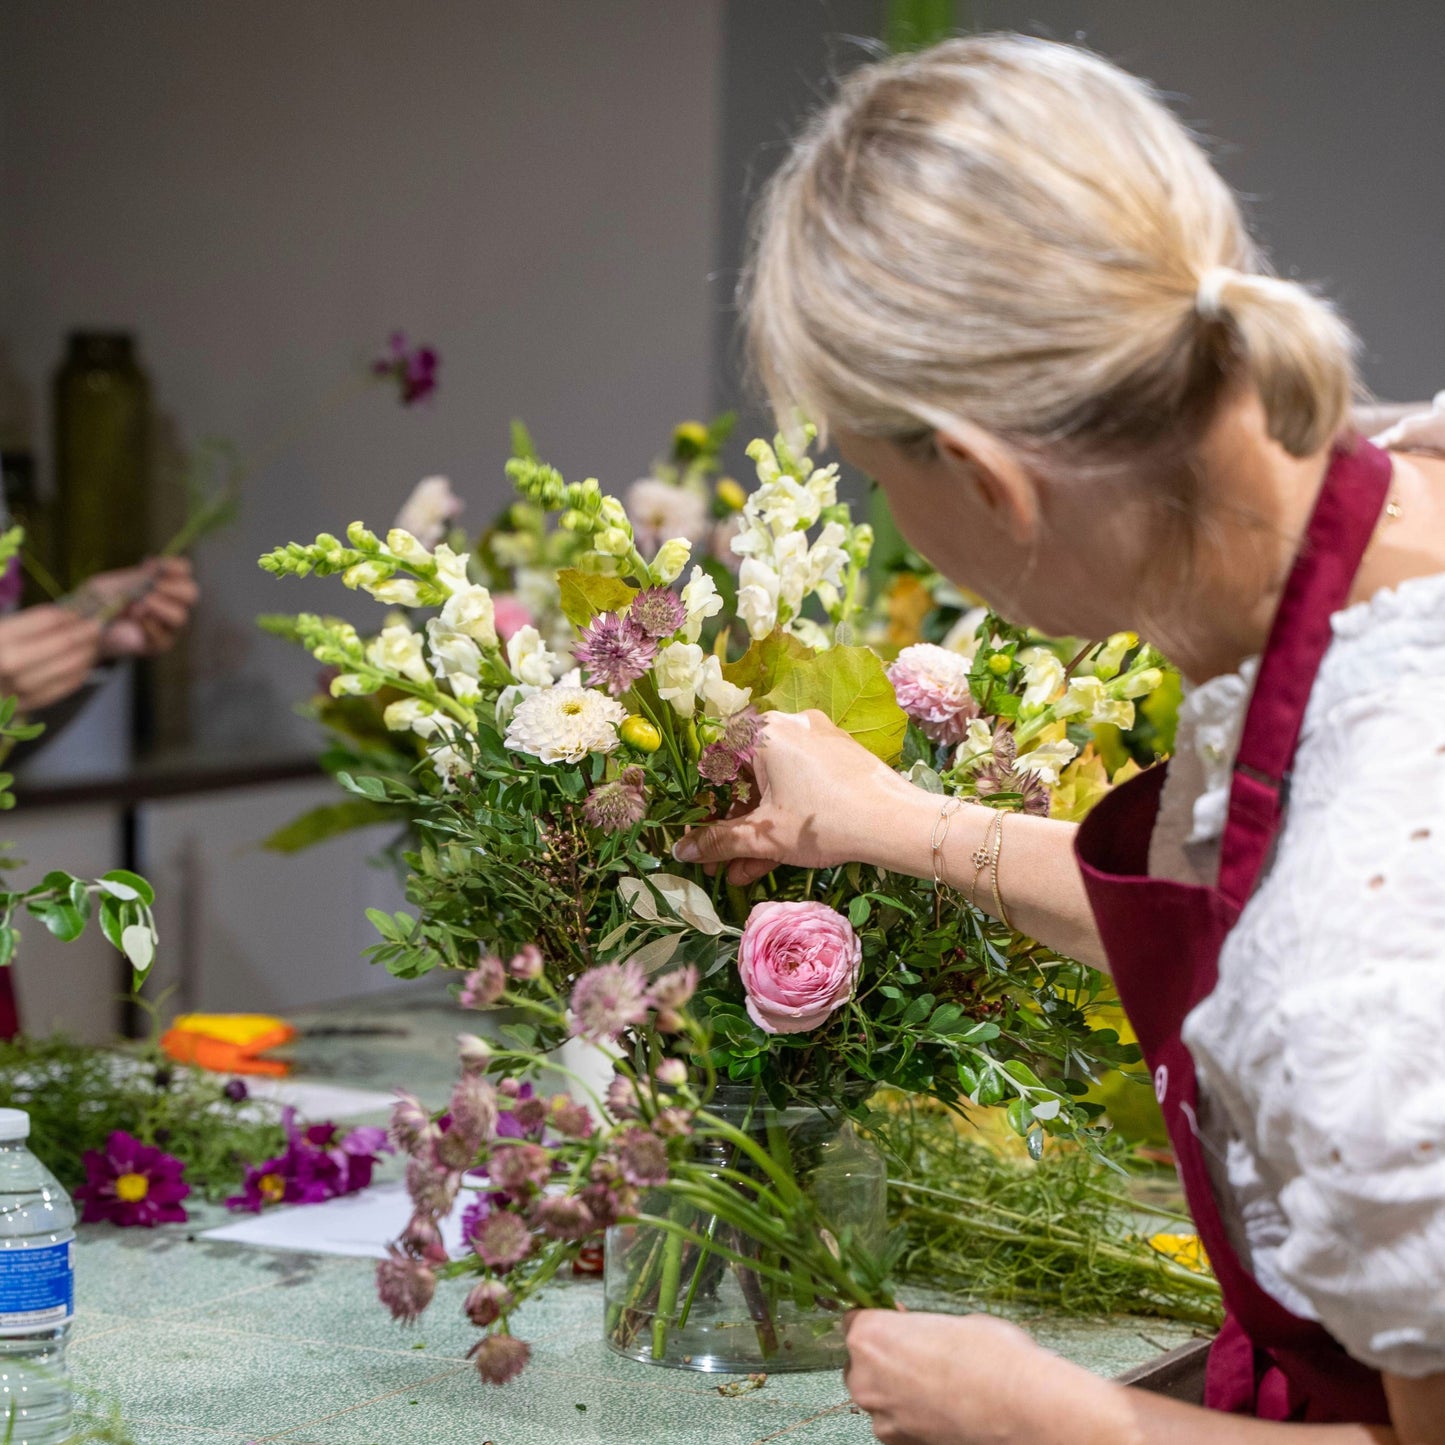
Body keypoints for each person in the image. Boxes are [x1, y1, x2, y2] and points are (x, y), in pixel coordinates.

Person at [675, 35, 1445, 1445]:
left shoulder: (1361, 941)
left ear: (984, 480)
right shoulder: (1400, 490)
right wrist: (884, 819)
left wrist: (1054, 1421)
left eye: (879, 478)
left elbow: (1337, 945)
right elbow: (1248, 920)